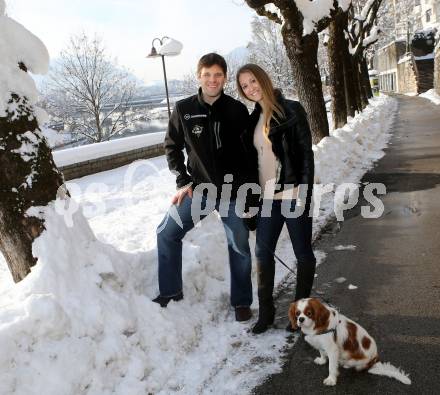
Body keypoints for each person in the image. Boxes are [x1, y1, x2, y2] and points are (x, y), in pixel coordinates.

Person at [153, 53, 254, 322]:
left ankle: (242, 301)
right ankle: (171, 292)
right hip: (199, 190)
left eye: (218, 75)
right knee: (166, 232)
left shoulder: (236, 109)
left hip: (233, 192)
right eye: (207, 74)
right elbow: (171, 147)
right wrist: (183, 181)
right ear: (199, 76)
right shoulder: (184, 109)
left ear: (225, 78)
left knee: (240, 246)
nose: (212, 80)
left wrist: (249, 193)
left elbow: (249, 155)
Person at [236, 64, 316, 334]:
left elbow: (306, 154)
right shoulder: (252, 120)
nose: (250, 88)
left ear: (264, 79)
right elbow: (252, 164)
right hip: (267, 199)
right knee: (262, 253)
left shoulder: (292, 109)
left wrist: (305, 192)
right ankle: (266, 313)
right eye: (244, 86)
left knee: (303, 254)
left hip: (293, 194)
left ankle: (299, 315)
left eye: (253, 81)